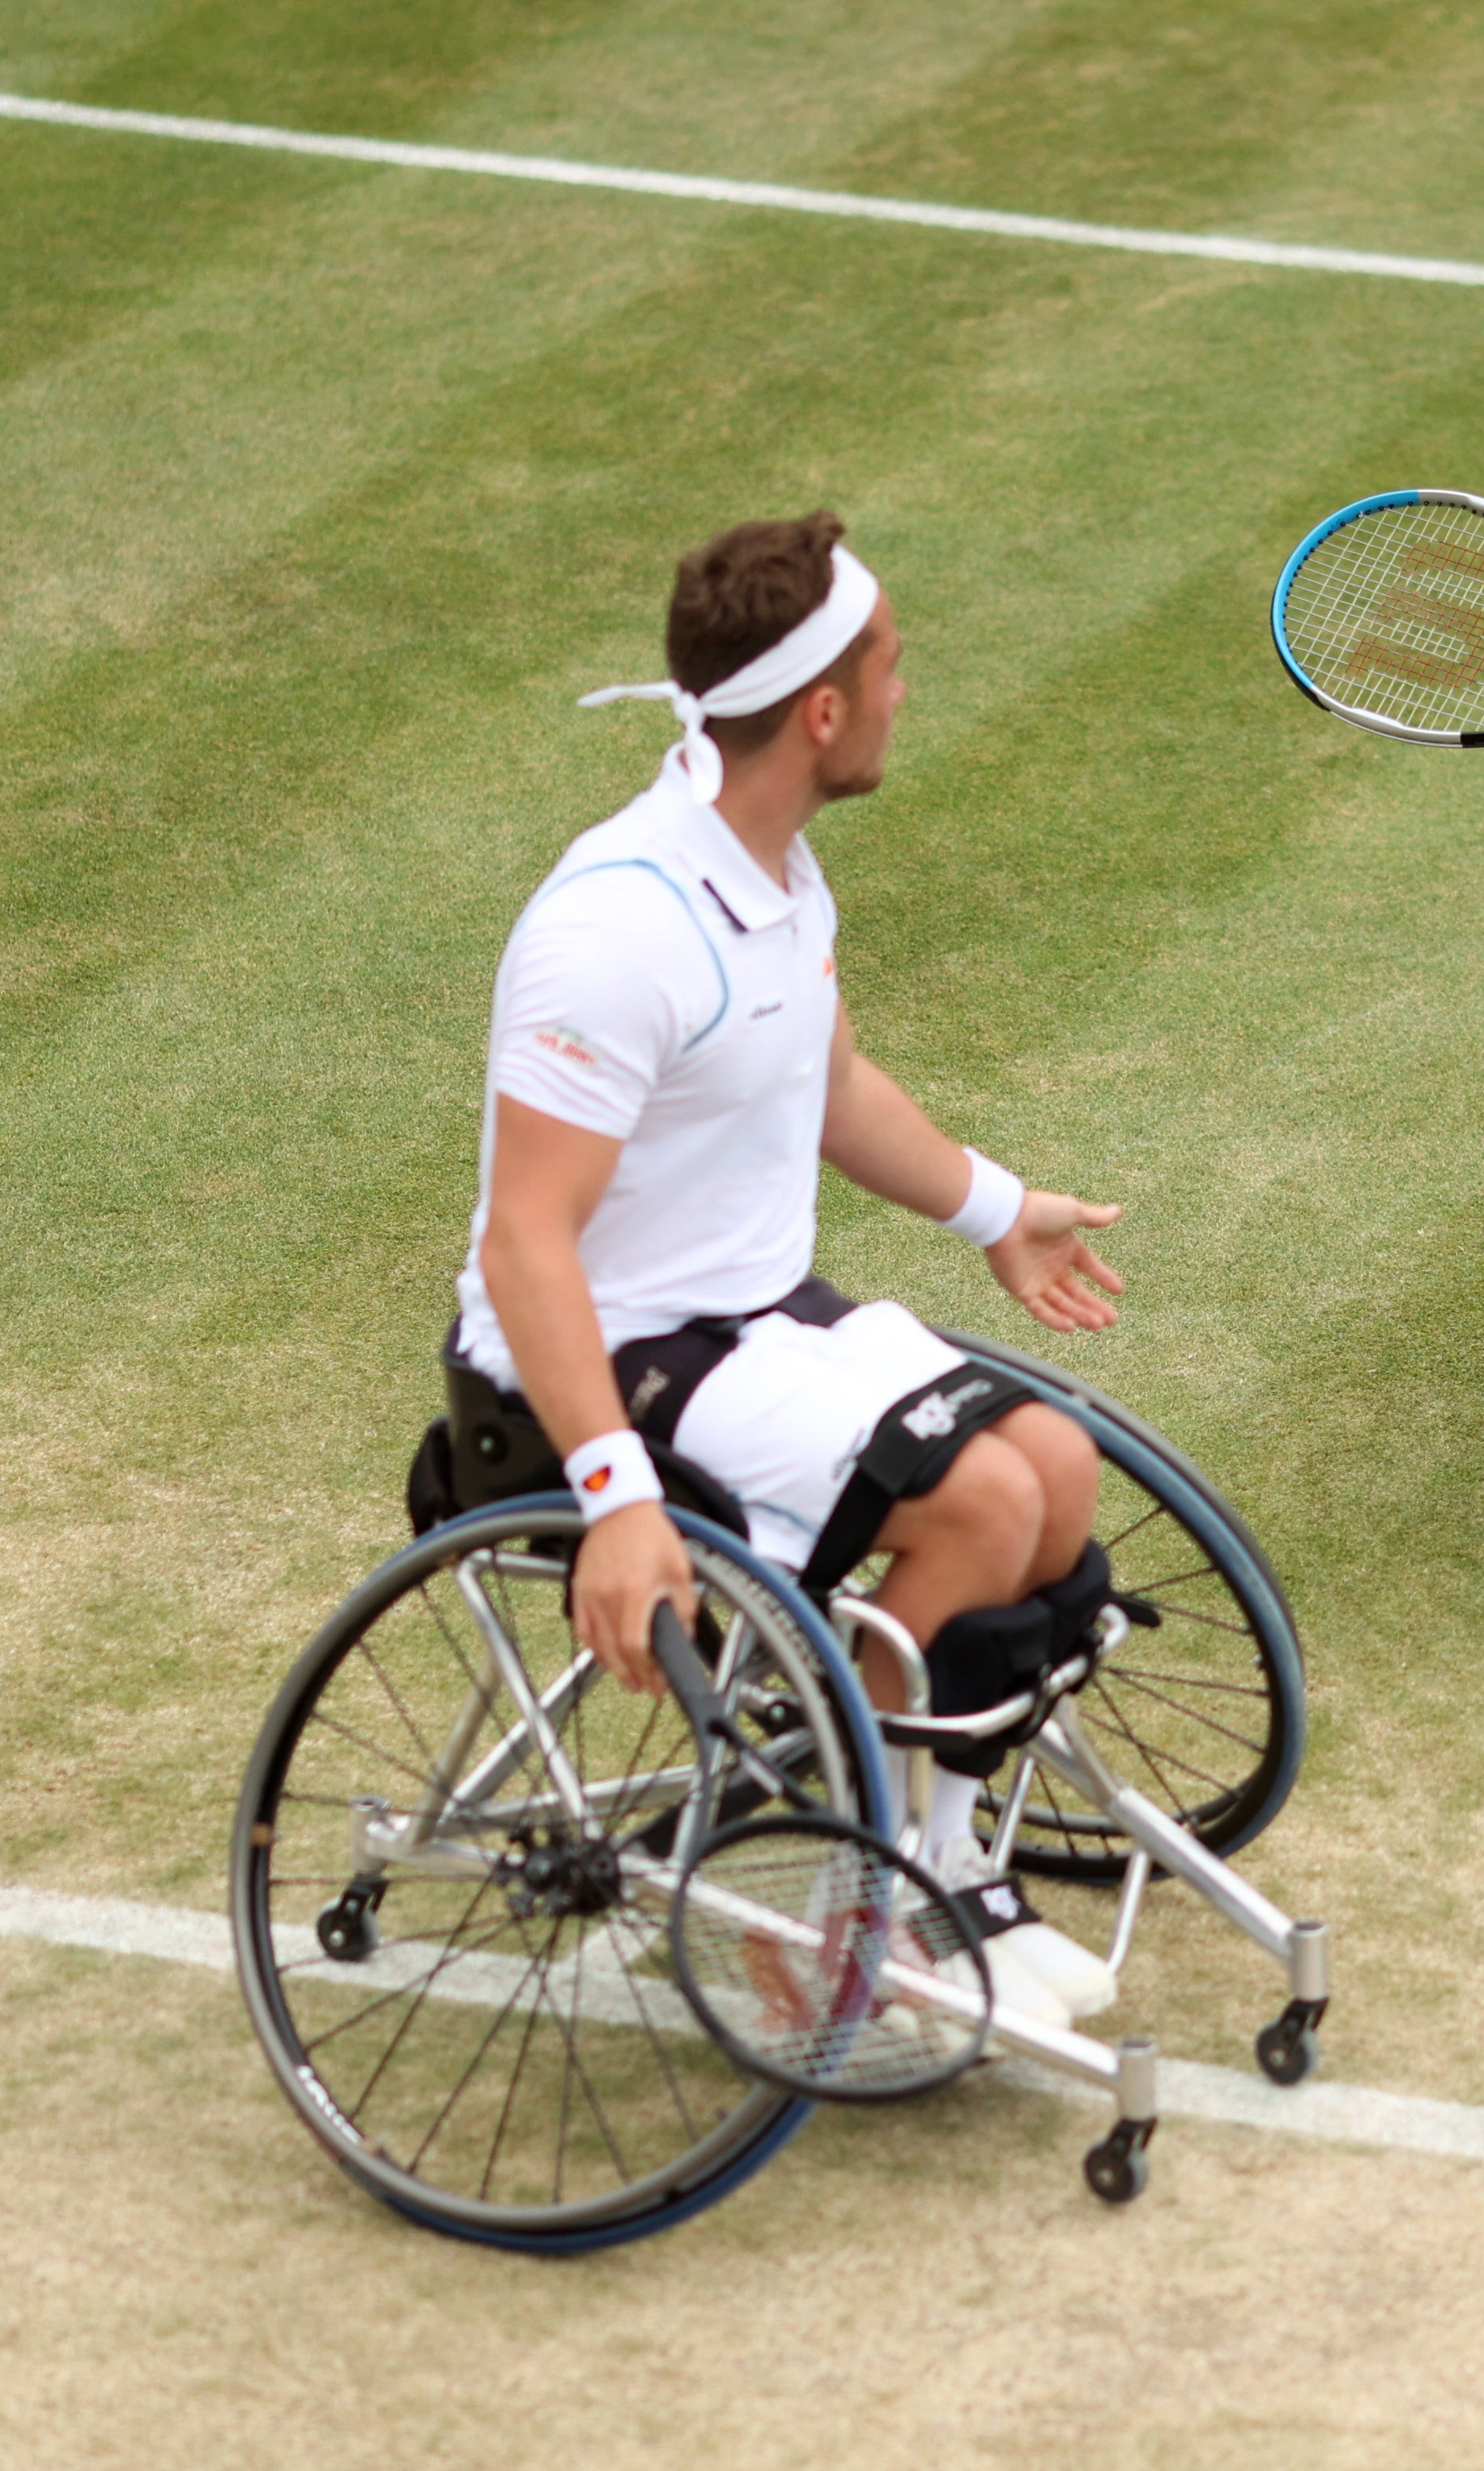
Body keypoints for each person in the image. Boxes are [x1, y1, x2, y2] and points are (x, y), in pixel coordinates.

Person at [452, 512, 1126, 2024]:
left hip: (749, 1320)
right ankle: (851, 1897)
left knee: (1057, 1469)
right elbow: (524, 1240)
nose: (904, 690)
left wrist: (995, 1208)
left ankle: (930, 1861)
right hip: (595, 1362)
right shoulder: (615, 931)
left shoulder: (776, 868)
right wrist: (617, 1499)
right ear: (820, 708)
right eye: (891, 667)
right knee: (987, 1499)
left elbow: (825, 1087)